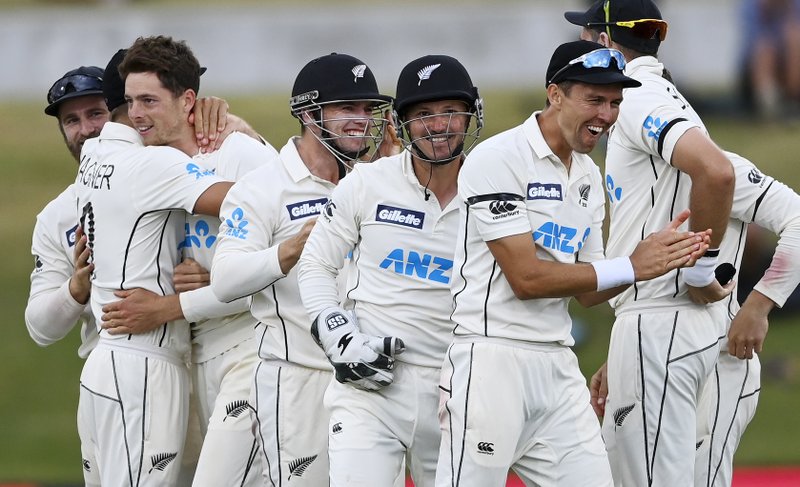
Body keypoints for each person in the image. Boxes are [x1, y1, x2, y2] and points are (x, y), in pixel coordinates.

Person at [434, 39, 709, 487]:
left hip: (558, 366)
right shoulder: (497, 159)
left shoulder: (585, 175)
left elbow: (587, 292)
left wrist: (661, 257)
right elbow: (526, 278)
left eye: (616, 102)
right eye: (595, 99)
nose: (607, 115)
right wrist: (633, 266)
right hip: (489, 362)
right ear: (555, 94)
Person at [564, 1, 738, 485]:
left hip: (662, 321)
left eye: (586, 36)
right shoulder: (664, 93)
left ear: (604, 42)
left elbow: (717, 172)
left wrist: (703, 270)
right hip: (660, 327)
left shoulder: (636, 96)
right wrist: (623, 350)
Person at [97, 37, 278, 487]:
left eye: (149, 101)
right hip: (194, 355)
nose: (135, 114)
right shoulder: (147, 163)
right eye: (130, 101)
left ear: (188, 100)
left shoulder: (236, 150)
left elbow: (289, 248)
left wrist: (182, 299)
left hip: (254, 347)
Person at [296, 54, 483, 487]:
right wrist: (337, 331)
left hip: (457, 388)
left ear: (472, 116)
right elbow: (316, 263)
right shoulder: (366, 182)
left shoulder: (491, 188)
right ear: (399, 125)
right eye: (424, 115)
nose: (439, 125)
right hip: (372, 385)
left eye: (451, 112)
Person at [210, 52, 393, 485]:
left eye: (368, 110)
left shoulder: (376, 181)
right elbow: (224, 281)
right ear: (309, 114)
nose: (362, 120)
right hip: (297, 381)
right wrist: (289, 251)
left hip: (371, 376)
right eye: (348, 108)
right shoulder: (262, 188)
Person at [589, 150, 800, 487]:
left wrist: (760, 304)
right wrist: (625, 354)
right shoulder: (643, 179)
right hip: (659, 348)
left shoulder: (717, 170)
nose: (608, 115)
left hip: (717, 357)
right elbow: (655, 295)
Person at [74, 45, 233, 486]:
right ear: (124, 102)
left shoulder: (93, 156)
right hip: (145, 362)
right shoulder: (152, 164)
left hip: (104, 362)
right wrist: (238, 131)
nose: (193, 104)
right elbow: (247, 202)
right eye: (140, 99)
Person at [740, 0, 800, 119]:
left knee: (795, 39)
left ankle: (793, 100)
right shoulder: (752, 6)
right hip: (756, 70)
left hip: (789, 64)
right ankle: (770, 105)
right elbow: (754, 44)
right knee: (765, 50)